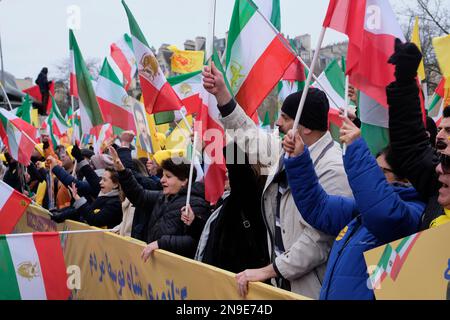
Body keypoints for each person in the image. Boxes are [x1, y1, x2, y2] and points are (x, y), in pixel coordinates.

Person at [203, 62, 352, 299]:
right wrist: (222, 94)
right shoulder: (287, 152)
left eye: (285, 118)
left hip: (312, 288)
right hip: (282, 282)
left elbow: (318, 242)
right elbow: (249, 135)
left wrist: (268, 270)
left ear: (306, 128)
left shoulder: (334, 169)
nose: (278, 124)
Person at [283, 117, 425, 300]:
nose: (375, 176)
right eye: (373, 167)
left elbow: (384, 214)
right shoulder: (362, 210)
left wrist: (357, 149)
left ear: (406, 180)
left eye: (381, 172)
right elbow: (318, 208)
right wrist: (299, 159)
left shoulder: (412, 214)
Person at [386, 39, 450, 229]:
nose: (439, 169)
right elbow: (411, 146)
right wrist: (405, 81)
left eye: (447, 162)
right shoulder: (439, 186)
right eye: (441, 160)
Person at [109, 147, 210, 259]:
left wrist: (161, 243)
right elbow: (139, 196)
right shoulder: (162, 196)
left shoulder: (196, 203)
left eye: (168, 176)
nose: (162, 180)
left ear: (184, 181)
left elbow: (193, 241)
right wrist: (122, 171)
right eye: (162, 175)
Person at [192, 144, 269, 274]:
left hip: (237, 281)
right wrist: (194, 222)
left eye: (230, 169)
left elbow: (239, 171)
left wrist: (227, 133)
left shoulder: (248, 198)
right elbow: (216, 232)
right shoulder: (226, 199)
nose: (226, 172)